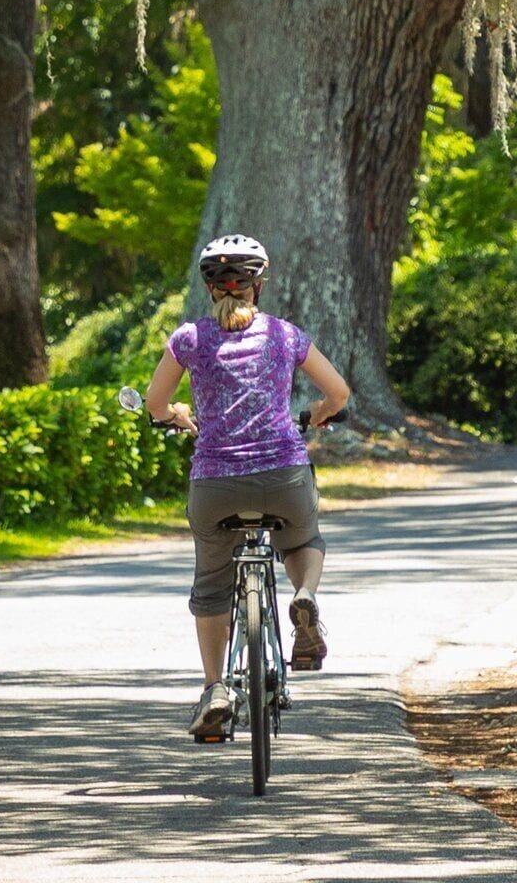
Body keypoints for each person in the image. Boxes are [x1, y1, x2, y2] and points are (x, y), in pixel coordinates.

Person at [141, 232, 354, 741]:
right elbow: (339, 391)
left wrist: (175, 415)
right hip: (283, 474)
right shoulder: (284, 335)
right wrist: (320, 413)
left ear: (210, 287)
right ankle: (303, 598)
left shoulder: (188, 338)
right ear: (258, 284)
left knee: (212, 582)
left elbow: (153, 403)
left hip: (215, 483)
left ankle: (215, 688)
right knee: (303, 540)